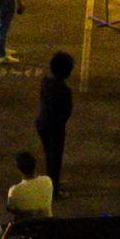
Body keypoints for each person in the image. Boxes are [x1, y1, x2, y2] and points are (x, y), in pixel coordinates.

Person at [37, 51, 76, 194]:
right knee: (55, 158)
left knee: (49, 154)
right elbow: (66, 112)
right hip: (55, 128)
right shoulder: (64, 90)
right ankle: (53, 189)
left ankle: (52, 180)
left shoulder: (46, 81)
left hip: (42, 123)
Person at [6, 152, 54, 220]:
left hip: (26, 225)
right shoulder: (47, 180)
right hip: (46, 222)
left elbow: (10, 208)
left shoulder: (15, 190)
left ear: (19, 170)